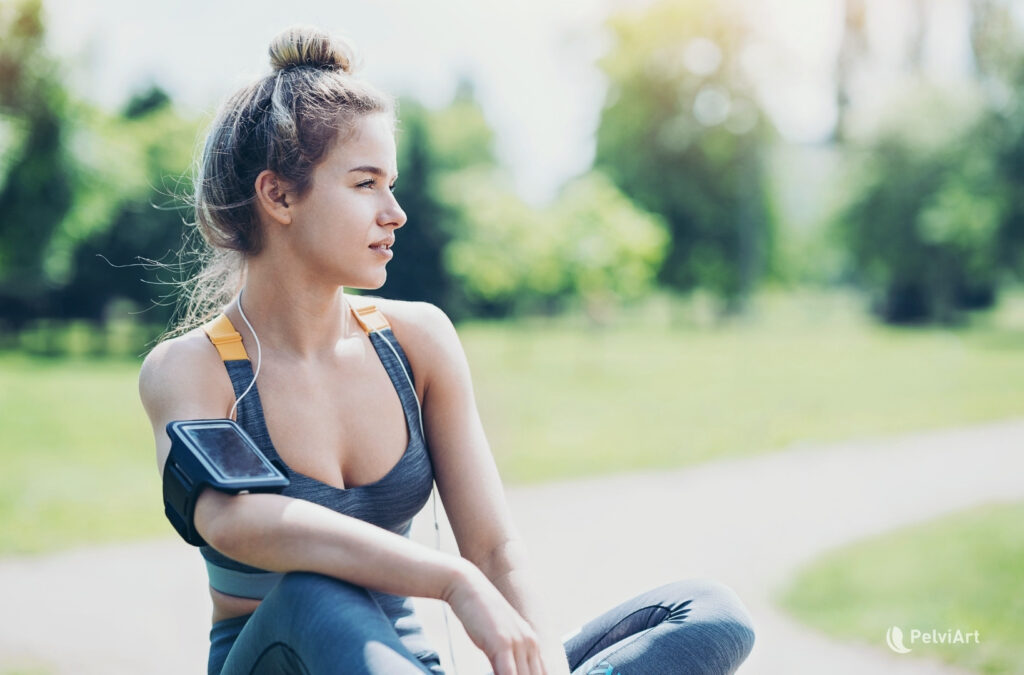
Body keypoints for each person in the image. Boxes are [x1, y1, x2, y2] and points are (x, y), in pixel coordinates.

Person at [138, 25, 756, 675]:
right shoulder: (190, 368)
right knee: (312, 590)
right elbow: (233, 521)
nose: (395, 211)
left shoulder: (417, 341)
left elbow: (492, 548)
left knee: (709, 613)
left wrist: (540, 660)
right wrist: (449, 579)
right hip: (279, 658)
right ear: (280, 195)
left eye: (392, 183)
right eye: (365, 183)